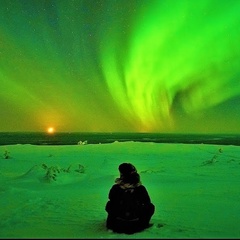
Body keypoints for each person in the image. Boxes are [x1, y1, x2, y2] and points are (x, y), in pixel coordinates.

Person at [105, 163, 155, 234]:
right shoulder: (140, 188)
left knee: (110, 204)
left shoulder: (116, 188)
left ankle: (111, 223)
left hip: (116, 226)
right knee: (150, 206)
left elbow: (111, 200)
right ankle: (144, 224)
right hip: (138, 225)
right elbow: (147, 202)